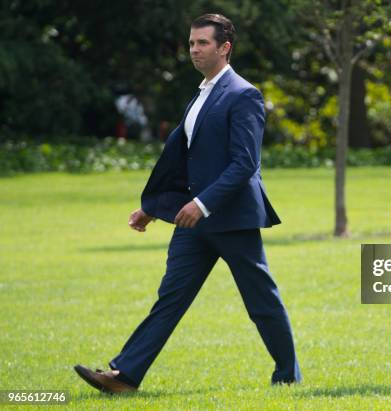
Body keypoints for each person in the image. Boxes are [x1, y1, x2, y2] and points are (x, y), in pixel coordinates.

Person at [74, 13, 301, 393]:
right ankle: (125, 376)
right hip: (193, 223)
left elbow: (245, 163)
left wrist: (204, 204)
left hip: (231, 219)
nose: (193, 49)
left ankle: (288, 376)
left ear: (224, 48)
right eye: (191, 43)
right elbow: (184, 157)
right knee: (170, 299)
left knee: (260, 300)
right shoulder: (200, 94)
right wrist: (154, 207)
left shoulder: (244, 94)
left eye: (202, 43)